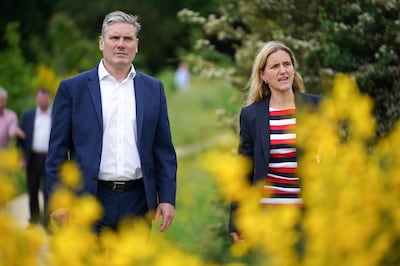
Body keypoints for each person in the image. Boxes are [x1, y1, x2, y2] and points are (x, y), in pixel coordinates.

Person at [46, 10, 177, 233]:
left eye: (127, 39)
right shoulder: (73, 89)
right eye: (114, 38)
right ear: (101, 42)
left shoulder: (154, 89)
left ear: (136, 44)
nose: (121, 44)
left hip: (138, 201)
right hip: (88, 199)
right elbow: (57, 153)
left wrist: (166, 198)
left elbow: (163, 150)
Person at [229, 41, 322, 242]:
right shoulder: (251, 115)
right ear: (262, 75)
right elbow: (243, 170)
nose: (283, 71)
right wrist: (236, 218)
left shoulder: (316, 106)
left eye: (287, 64)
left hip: (311, 215)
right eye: (275, 66)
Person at [18, 88, 52, 225]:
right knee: (32, 189)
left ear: (49, 99)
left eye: (45, 98)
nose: (42, 101)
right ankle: (34, 218)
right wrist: (21, 158)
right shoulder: (28, 116)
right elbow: (21, 140)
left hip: (50, 158)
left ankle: (47, 221)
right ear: (36, 99)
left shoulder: (55, 114)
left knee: (48, 190)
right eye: (40, 98)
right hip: (32, 158)